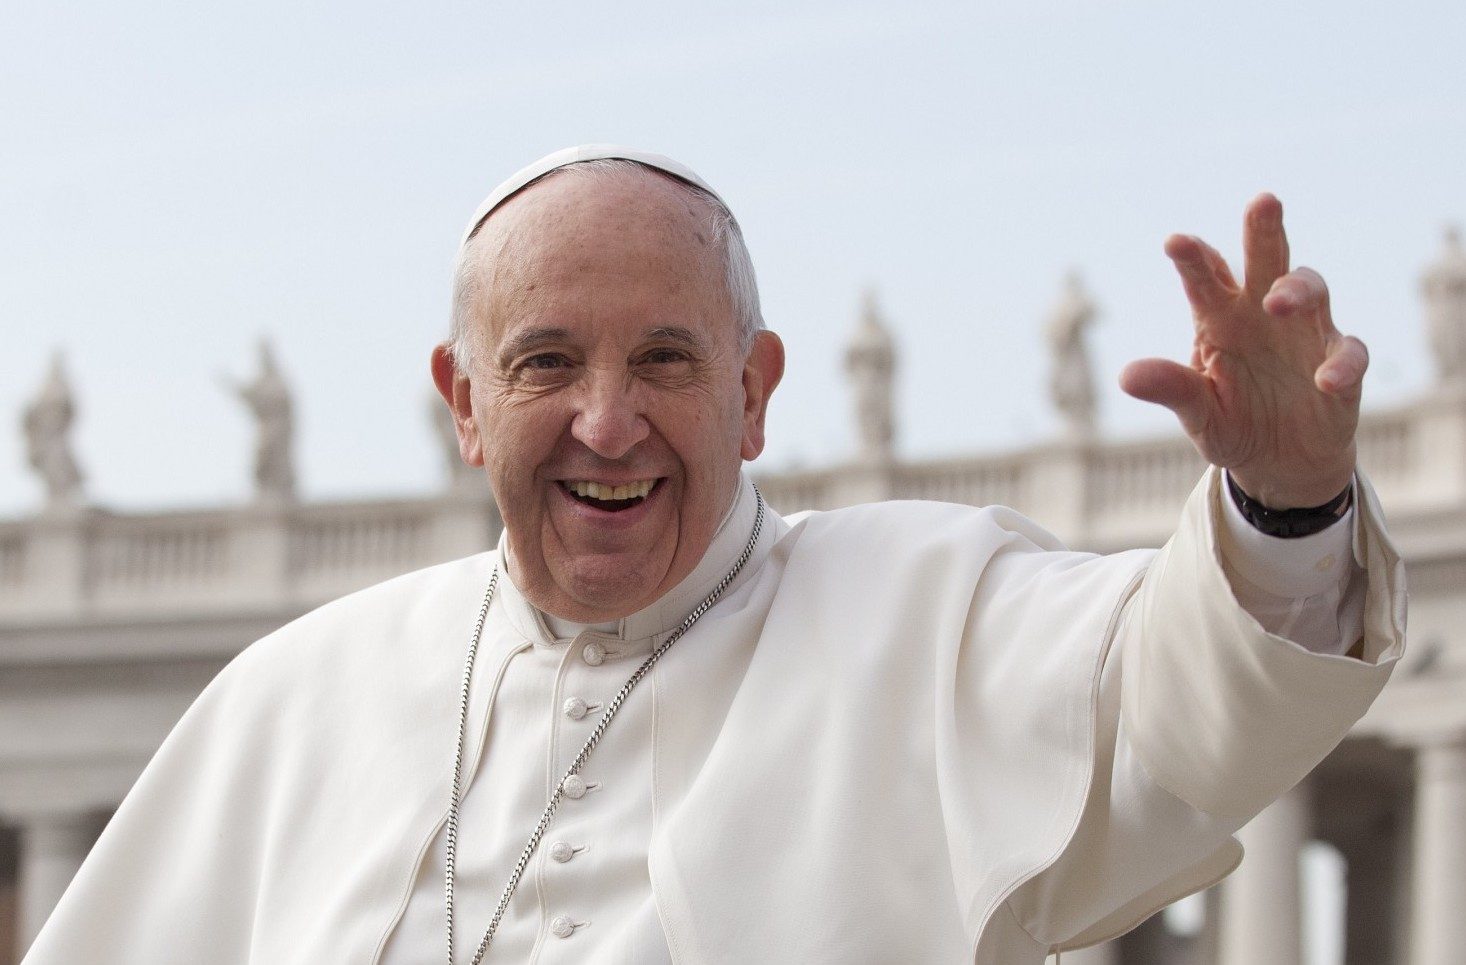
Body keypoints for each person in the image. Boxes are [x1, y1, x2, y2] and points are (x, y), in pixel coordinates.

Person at [24, 146, 1405, 964]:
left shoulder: (928, 608)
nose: (606, 422)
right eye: (546, 361)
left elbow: (1183, 699)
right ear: (462, 401)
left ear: (755, 392)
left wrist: (1284, 497)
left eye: (666, 360)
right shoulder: (294, 695)